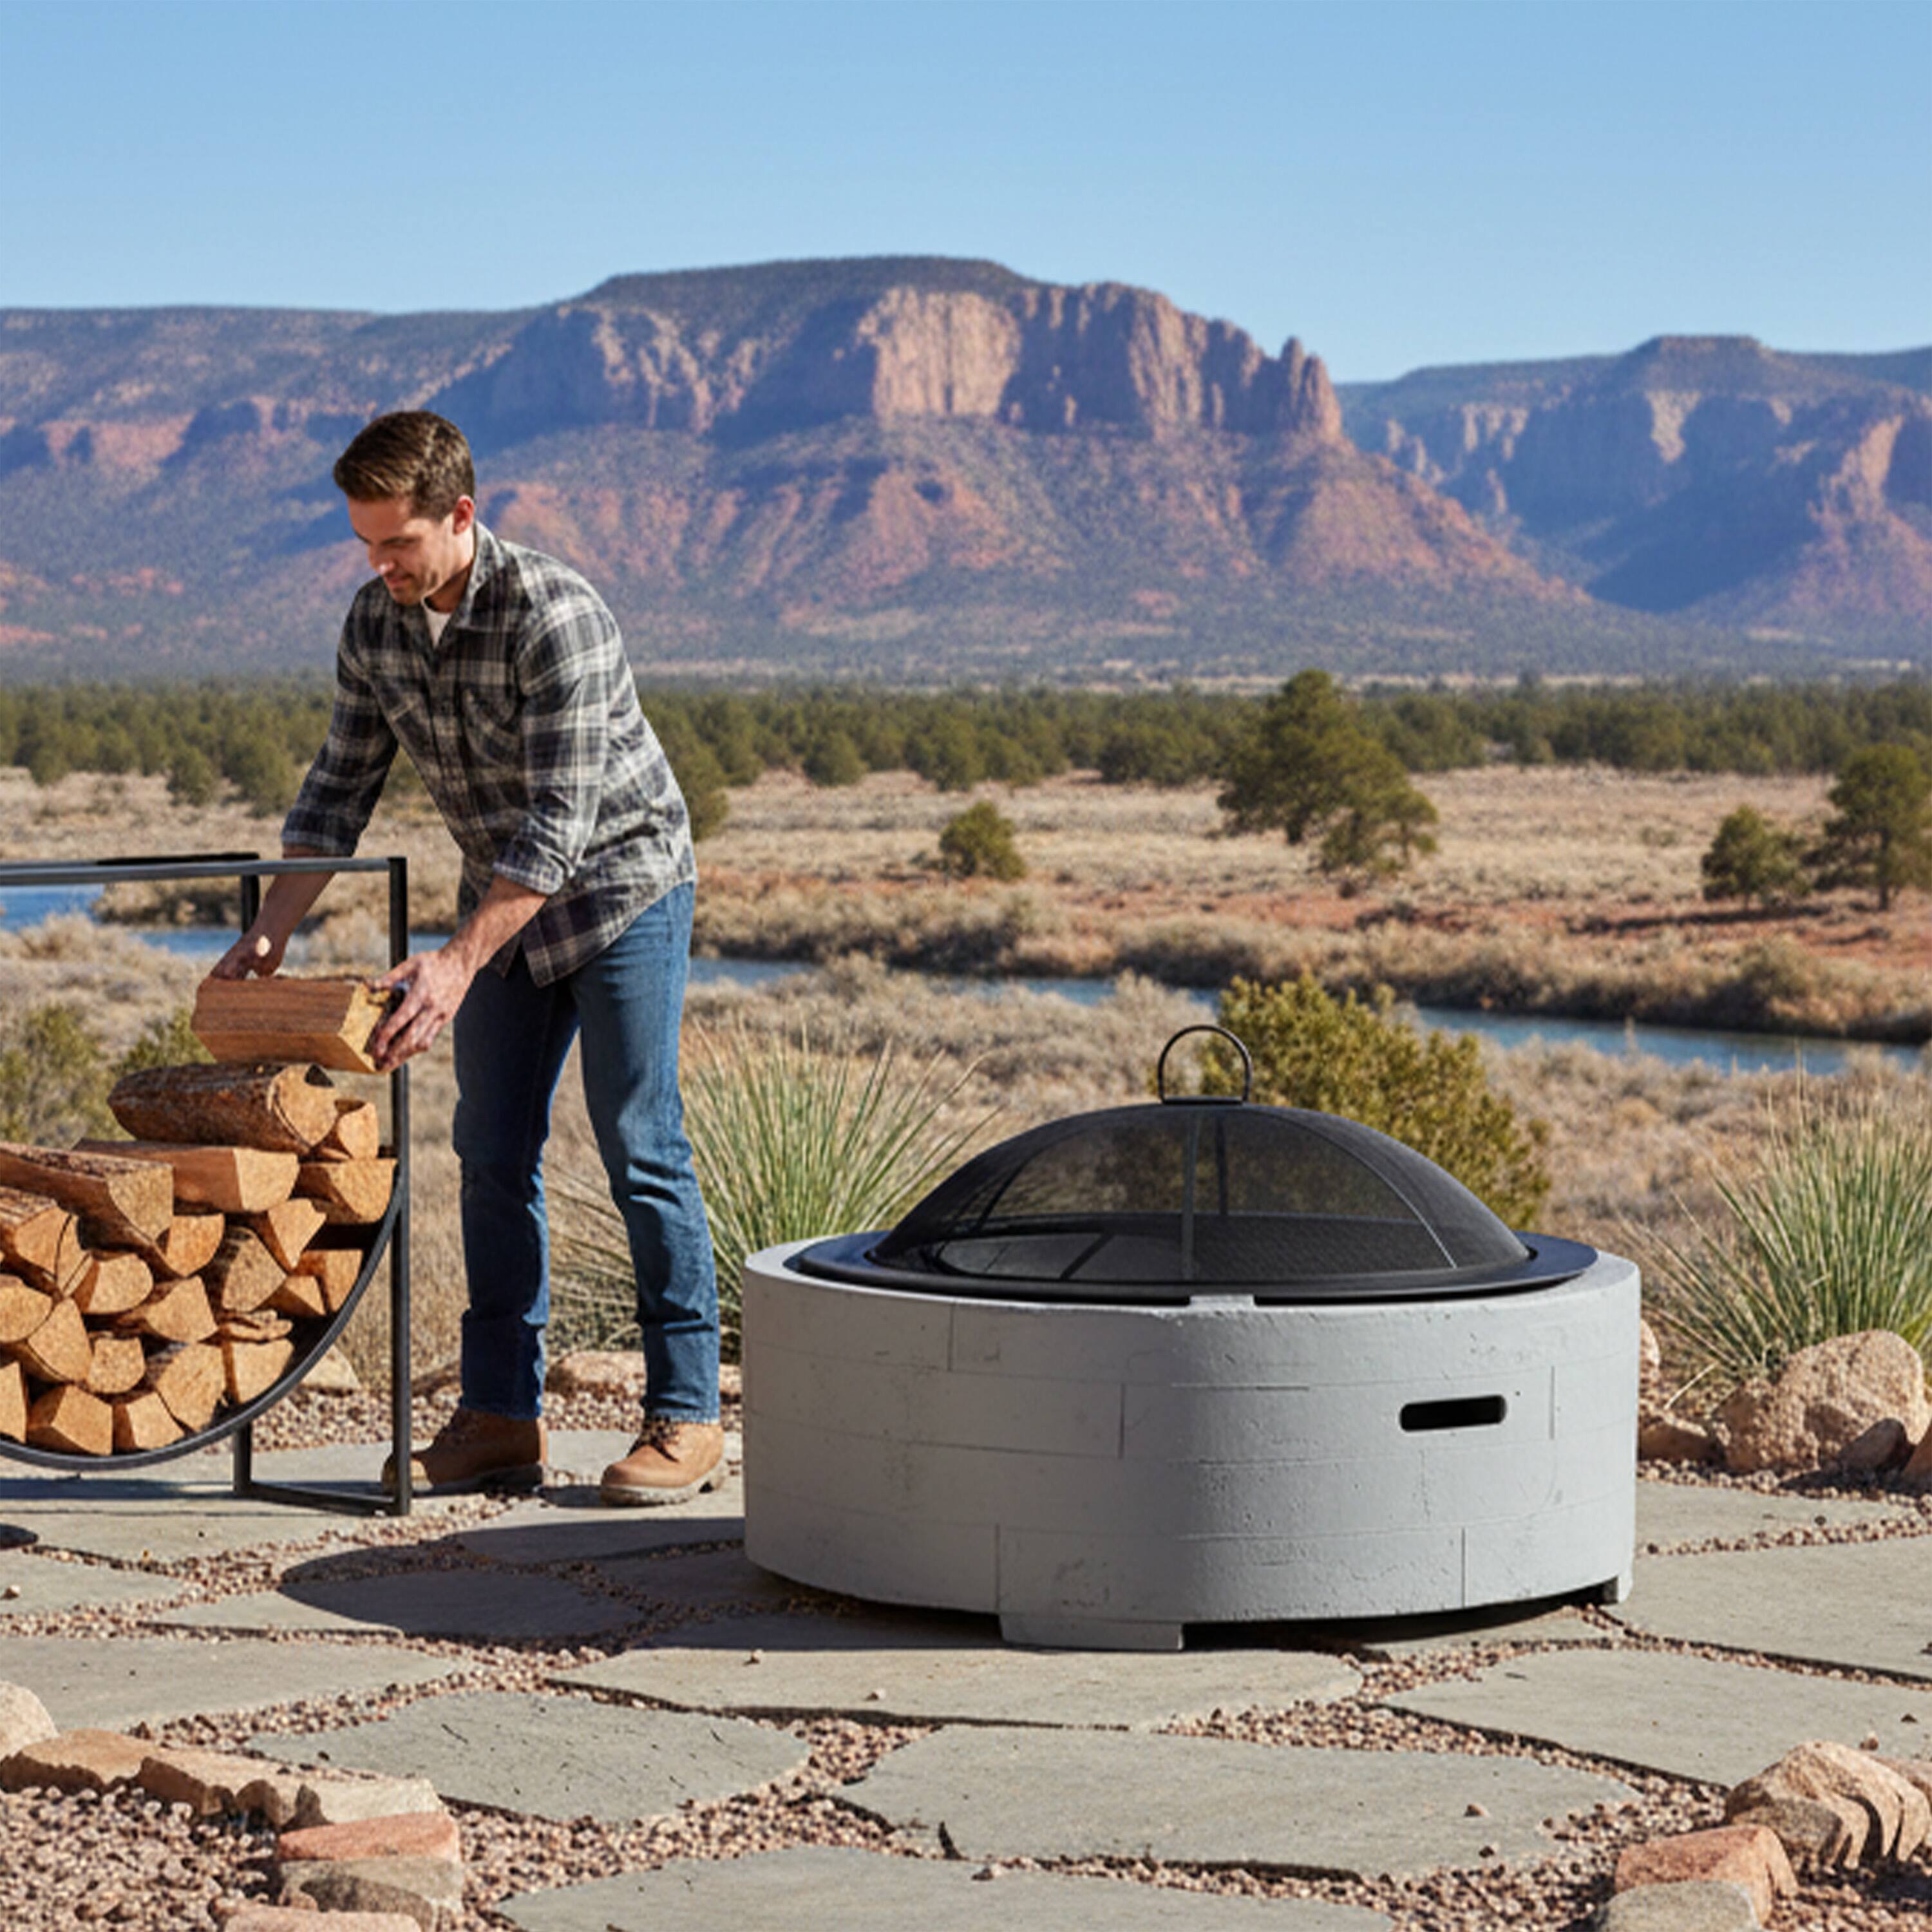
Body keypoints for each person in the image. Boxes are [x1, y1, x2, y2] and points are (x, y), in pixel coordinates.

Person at [213, 410, 721, 1506]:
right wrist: (271, 928)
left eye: (397, 542)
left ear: (461, 516)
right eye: (365, 544)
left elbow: (560, 826)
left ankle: (686, 1415)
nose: (380, 566)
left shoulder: (554, 613)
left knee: (640, 1143)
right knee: (490, 1151)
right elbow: (337, 791)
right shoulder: (375, 622)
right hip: (501, 902)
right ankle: (501, 1418)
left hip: (621, 891)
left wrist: (451, 965)